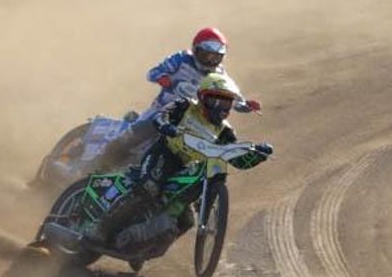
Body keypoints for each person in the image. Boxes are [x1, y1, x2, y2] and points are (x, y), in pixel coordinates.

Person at [86, 72, 270, 246]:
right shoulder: (185, 105)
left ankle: (141, 246)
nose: (221, 108)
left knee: (186, 220)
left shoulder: (226, 131)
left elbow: (236, 159)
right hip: (165, 153)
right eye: (216, 101)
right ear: (203, 98)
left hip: (187, 167)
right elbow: (161, 116)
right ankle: (101, 227)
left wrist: (257, 154)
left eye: (226, 103)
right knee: (147, 188)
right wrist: (166, 126)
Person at [95, 27, 261, 170]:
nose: (211, 60)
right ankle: (101, 161)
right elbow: (153, 72)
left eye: (216, 56)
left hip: (191, 119)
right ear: (196, 50)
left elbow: (232, 98)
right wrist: (163, 78)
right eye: (207, 55)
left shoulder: (220, 75)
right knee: (140, 132)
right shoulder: (181, 59)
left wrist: (246, 105)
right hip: (162, 111)